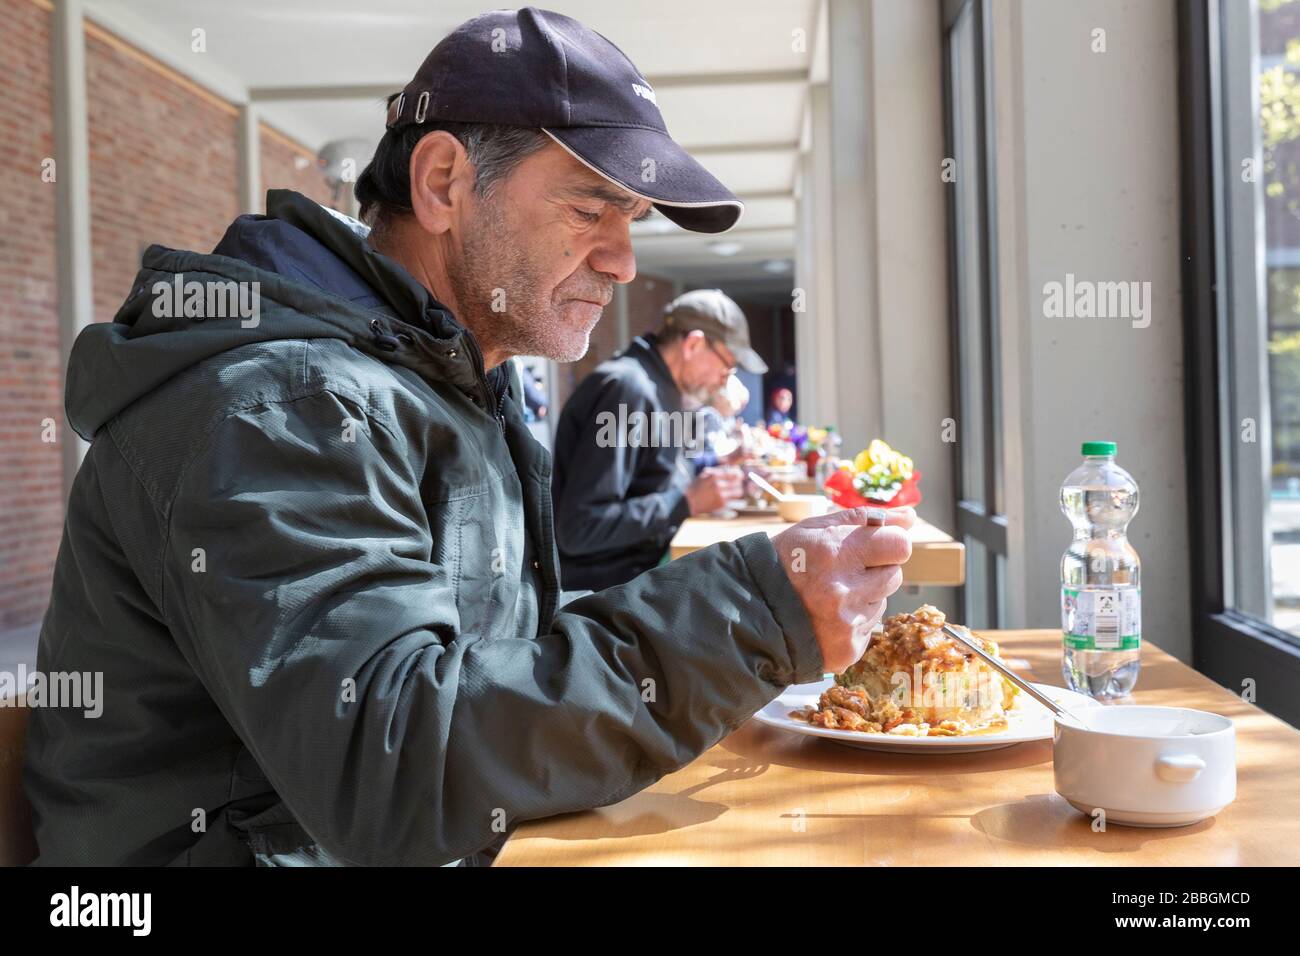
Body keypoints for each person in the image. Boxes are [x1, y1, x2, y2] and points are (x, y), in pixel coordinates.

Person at [23, 7, 912, 867]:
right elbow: (393, 763)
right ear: (443, 182)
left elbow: (470, 678)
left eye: (630, 220)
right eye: (588, 208)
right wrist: (746, 615)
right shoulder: (286, 403)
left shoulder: (446, 384)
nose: (623, 259)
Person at [552, 289, 759, 590]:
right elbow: (580, 528)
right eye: (727, 365)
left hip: (640, 572)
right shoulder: (627, 390)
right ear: (694, 344)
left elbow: (656, 474)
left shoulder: (664, 389)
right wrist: (686, 501)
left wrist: (717, 467)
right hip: (601, 593)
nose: (724, 379)